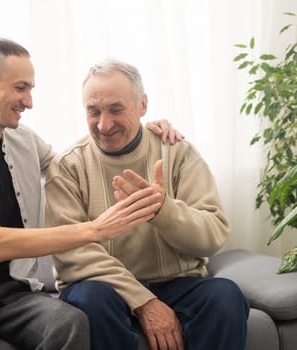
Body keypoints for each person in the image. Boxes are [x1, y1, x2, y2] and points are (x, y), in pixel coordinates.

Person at [0, 38, 181, 350]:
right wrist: (95, 230)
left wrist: (139, 132)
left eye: (30, 89)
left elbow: (80, 165)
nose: (29, 101)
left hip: (14, 296)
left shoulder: (27, 143)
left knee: (69, 324)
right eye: (21, 88)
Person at [44, 58, 250, 350]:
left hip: (177, 284)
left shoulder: (178, 152)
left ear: (142, 105)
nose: (104, 124)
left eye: (116, 109)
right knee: (90, 299)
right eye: (93, 111)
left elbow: (213, 234)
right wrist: (144, 301)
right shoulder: (67, 166)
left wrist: (163, 211)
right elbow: (72, 255)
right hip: (105, 289)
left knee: (225, 296)